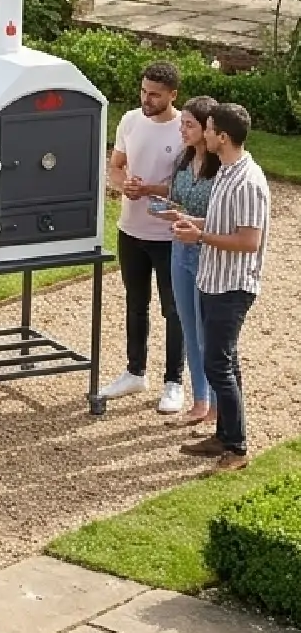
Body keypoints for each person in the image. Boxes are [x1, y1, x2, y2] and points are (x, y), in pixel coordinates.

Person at [167, 104, 270, 473]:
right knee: (227, 362)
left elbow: (248, 241)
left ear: (222, 137)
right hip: (214, 279)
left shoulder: (248, 182)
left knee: (216, 363)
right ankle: (224, 436)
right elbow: (221, 221)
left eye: (209, 129)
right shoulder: (227, 171)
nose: (205, 135)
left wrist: (200, 237)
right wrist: (191, 221)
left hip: (232, 286)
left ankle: (238, 448)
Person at [102, 61, 186, 413]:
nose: (146, 99)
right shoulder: (130, 121)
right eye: (143, 91)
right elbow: (116, 165)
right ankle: (135, 371)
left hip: (168, 236)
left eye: (154, 94)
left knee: (174, 309)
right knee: (136, 304)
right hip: (131, 229)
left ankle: (174, 382)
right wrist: (125, 186)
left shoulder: (185, 129)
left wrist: (148, 188)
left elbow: (188, 186)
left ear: (172, 95)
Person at [137, 96, 220, 426]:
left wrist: (183, 215)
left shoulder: (221, 170)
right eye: (181, 124)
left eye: (189, 125)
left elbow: (220, 216)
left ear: (207, 129)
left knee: (207, 331)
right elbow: (177, 198)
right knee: (188, 325)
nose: (182, 131)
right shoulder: (185, 161)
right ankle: (200, 400)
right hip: (179, 250)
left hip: (207, 253)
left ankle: (216, 401)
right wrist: (158, 203)